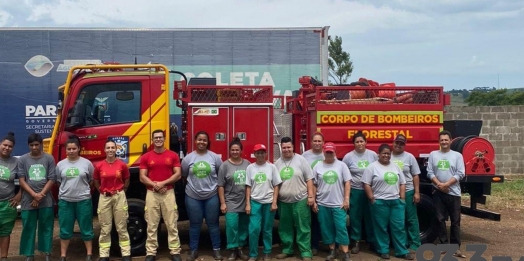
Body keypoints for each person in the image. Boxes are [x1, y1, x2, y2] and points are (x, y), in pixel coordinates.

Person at [361, 144, 414, 260]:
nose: (386, 155)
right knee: (381, 227)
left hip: (396, 202)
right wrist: (372, 199)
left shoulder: (395, 167)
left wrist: (402, 199)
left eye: (388, 154)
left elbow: (402, 183)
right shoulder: (372, 167)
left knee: (399, 227)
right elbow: (366, 183)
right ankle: (383, 250)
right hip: (380, 202)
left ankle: (401, 251)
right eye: (384, 153)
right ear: (378, 154)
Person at [140, 129, 183, 261]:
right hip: (152, 194)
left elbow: (178, 174)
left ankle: (175, 251)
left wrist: (162, 184)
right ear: (152, 140)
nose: (158, 140)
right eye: (156, 138)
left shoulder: (173, 155)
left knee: (172, 223)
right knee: (152, 224)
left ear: (164, 139)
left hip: (168, 193)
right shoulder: (146, 157)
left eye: (160, 137)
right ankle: (151, 252)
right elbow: (142, 177)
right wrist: (155, 186)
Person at [182, 131, 223, 261]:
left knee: (213, 224)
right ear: (195, 141)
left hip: (212, 196)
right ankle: (193, 250)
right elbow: (184, 174)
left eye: (204, 140)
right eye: (199, 139)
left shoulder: (215, 157)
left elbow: (220, 174)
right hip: (193, 196)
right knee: (195, 224)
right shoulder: (188, 158)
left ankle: (216, 250)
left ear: (208, 142)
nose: (202, 142)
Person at [274, 137, 314, 261]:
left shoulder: (301, 160)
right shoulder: (277, 163)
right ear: (281, 148)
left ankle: (305, 252)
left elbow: (309, 179)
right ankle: (287, 249)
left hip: (301, 200)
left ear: (293, 147)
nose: (286, 150)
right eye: (284, 147)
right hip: (284, 202)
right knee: (285, 227)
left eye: (288, 147)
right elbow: (275, 184)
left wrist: (311, 195)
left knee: (303, 226)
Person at [427, 130, 466, 258]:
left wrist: (446, 185)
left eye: (446, 139)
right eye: (442, 140)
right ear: (439, 141)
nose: (444, 142)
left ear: (450, 141)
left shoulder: (457, 156)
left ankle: (455, 247)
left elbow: (460, 173)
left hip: (453, 192)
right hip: (438, 192)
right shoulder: (433, 154)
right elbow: (430, 172)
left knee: (455, 221)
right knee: (439, 219)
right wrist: (440, 185)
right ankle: (443, 245)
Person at [18, 133, 56, 261]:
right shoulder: (22, 159)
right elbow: (22, 180)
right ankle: (29, 254)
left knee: (46, 226)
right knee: (28, 227)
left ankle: (46, 252)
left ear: (40, 145)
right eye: (31, 145)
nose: (34, 147)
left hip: (46, 200)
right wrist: (34, 195)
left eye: (36, 145)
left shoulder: (49, 158)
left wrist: (40, 196)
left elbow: (51, 179)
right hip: (28, 200)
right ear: (28, 145)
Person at [56, 135, 95, 261]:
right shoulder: (60, 165)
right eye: (69, 149)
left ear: (79, 149)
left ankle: (89, 254)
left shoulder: (87, 163)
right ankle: (63, 255)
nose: (71, 151)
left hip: (83, 201)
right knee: (65, 229)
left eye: (74, 148)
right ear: (66, 150)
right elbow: (58, 182)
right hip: (65, 201)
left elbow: (91, 181)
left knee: (86, 228)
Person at [311, 142, 352, 261]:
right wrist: (314, 200)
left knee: (341, 227)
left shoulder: (342, 165)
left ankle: (345, 252)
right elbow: (314, 184)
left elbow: (347, 183)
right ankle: (332, 250)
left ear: (335, 153)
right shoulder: (318, 166)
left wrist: (346, 199)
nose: (329, 154)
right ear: (323, 152)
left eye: (331, 152)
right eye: (327, 152)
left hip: (338, 204)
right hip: (323, 204)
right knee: (326, 228)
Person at [93, 139, 132, 261]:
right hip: (104, 197)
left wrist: (121, 192)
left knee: (122, 227)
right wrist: (102, 191)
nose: (110, 150)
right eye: (108, 148)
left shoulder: (122, 165)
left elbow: (127, 180)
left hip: (119, 196)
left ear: (116, 149)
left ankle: (126, 254)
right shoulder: (99, 166)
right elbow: (96, 181)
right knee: (105, 228)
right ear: (104, 150)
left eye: (112, 148)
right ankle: (104, 255)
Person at [342, 131, 377, 253]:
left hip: (370, 191)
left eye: (362, 141)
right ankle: (356, 241)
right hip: (355, 191)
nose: (359, 143)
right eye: (357, 141)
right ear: (354, 144)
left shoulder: (373, 155)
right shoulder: (348, 157)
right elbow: (345, 175)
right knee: (355, 217)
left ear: (366, 142)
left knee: (370, 216)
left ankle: (372, 241)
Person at [245, 144, 282, 261]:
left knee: (267, 229)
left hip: (268, 202)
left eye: (262, 152)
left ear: (265, 154)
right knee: (254, 229)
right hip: (255, 202)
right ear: (254, 154)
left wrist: (274, 202)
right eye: (258, 153)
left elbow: (276, 185)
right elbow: (248, 186)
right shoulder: (250, 168)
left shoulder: (272, 167)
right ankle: (253, 254)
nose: (260, 155)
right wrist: (248, 203)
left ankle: (267, 253)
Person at [218, 137, 250, 261]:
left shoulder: (247, 164)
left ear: (241, 150)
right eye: (233, 150)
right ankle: (232, 249)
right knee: (232, 226)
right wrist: (222, 203)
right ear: (230, 151)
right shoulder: (224, 166)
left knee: (243, 226)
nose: (235, 152)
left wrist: (248, 202)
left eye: (237, 150)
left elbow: (250, 183)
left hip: (244, 201)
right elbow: (220, 185)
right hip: (230, 201)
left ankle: (240, 249)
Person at [390, 134, 421, 252]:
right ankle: (401, 243)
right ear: (393, 143)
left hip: (408, 191)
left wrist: (417, 192)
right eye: (397, 143)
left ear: (404, 145)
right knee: (397, 220)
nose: (398, 145)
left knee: (411, 218)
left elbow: (415, 175)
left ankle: (415, 243)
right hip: (392, 193)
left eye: (401, 144)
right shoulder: (388, 156)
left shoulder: (409, 157)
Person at [301, 132, 325, 256]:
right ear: (311, 142)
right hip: (308, 193)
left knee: (321, 220)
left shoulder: (327, 155)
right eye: (315, 141)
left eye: (319, 141)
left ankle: (323, 243)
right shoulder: (305, 156)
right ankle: (313, 245)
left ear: (323, 143)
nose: (317, 143)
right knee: (310, 220)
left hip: (324, 194)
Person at [0, 132, 21, 261]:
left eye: (10, 146)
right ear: (0, 144)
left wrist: (19, 195)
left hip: (7, 203)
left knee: (5, 232)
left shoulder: (16, 162)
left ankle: (4, 257)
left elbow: (24, 181)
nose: (6, 148)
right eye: (4, 145)